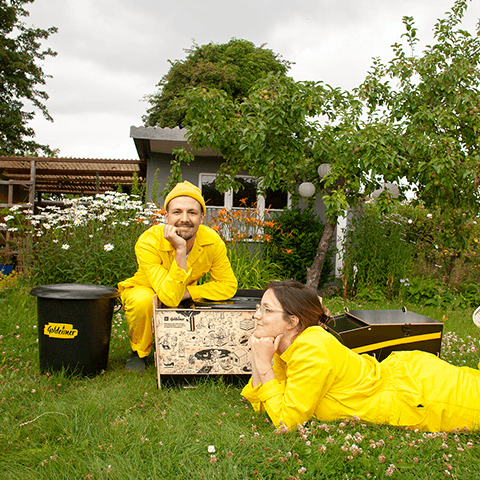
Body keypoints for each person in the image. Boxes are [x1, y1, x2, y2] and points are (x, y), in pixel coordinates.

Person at [241, 279, 480, 432]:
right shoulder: (288, 346)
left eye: (267, 309)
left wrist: (263, 364)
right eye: (259, 307)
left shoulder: (310, 349)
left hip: (423, 393)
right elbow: (265, 403)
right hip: (409, 376)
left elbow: (286, 420)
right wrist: (259, 357)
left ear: (292, 321)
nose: (257, 315)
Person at [118, 181, 238, 372]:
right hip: (147, 287)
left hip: (181, 289)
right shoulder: (148, 241)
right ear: (166, 216)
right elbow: (169, 297)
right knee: (142, 301)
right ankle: (139, 352)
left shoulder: (212, 241)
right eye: (177, 212)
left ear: (202, 217)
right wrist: (180, 249)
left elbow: (228, 285)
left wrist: (190, 292)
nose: (185, 218)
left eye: (192, 212)